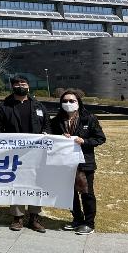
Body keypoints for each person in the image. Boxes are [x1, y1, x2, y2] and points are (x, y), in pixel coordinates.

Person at [0, 75, 51, 233]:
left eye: (24, 83)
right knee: (17, 183)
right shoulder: (3, 106)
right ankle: (17, 218)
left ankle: (34, 217)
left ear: (28, 86)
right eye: (17, 84)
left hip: (36, 152)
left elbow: (47, 124)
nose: (21, 86)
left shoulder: (38, 105)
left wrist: (47, 133)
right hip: (14, 153)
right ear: (12, 87)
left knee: (36, 183)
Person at [51, 90, 106, 235]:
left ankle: (89, 223)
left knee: (86, 193)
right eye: (65, 101)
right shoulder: (57, 120)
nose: (68, 103)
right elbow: (51, 138)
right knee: (70, 193)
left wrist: (85, 141)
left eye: (72, 101)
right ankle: (77, 219)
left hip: (84, 163)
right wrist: (61, 137)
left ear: (78, 102)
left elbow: (100, 138)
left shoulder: (89, 118)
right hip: (66, 163)